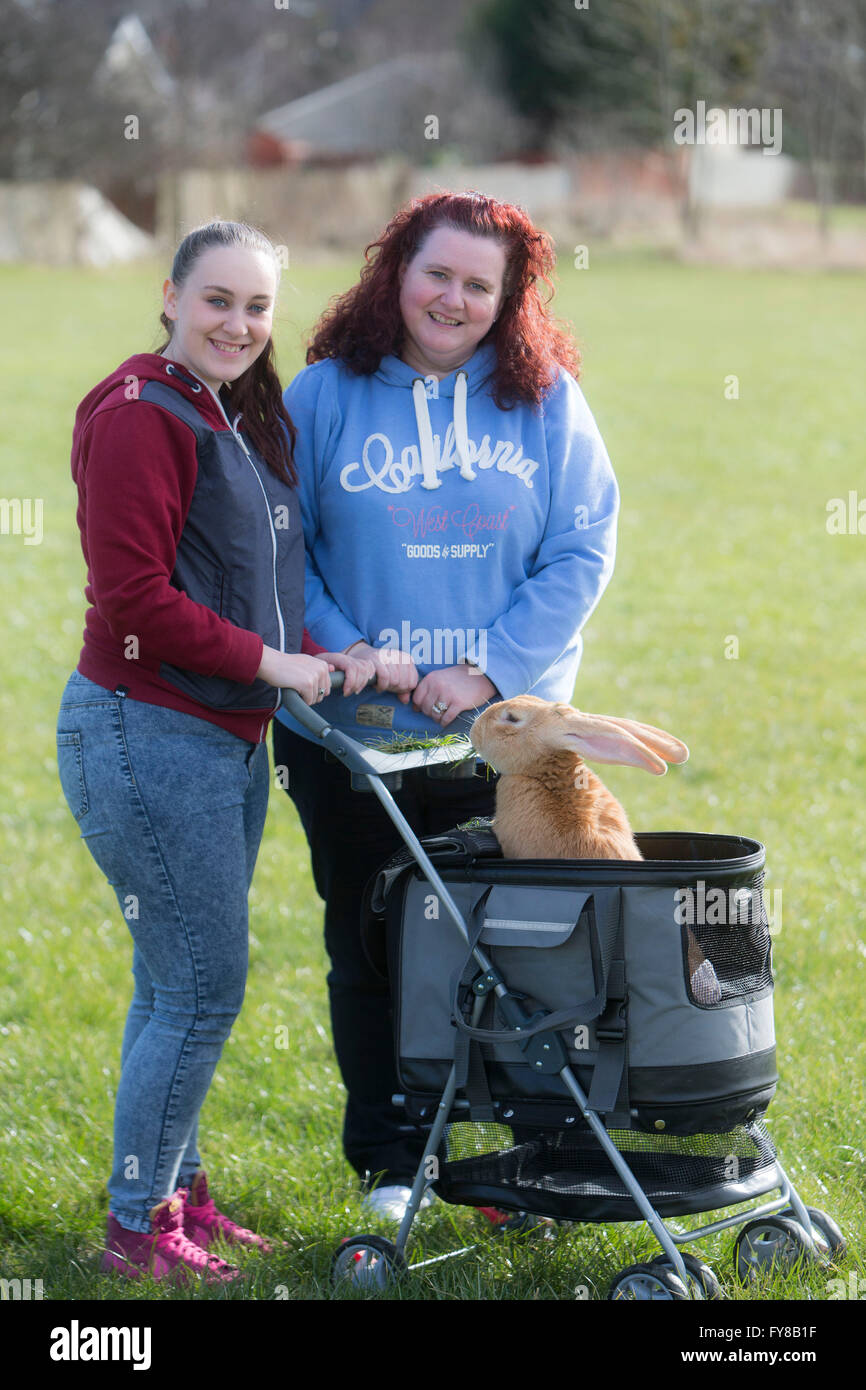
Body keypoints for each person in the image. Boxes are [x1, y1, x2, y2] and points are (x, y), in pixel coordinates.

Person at [272, 191, 620, 1219]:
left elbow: (581, 546)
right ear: (395, 271)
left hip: (501, 737)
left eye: (480, 284)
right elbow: (279, 548)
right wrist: (350, 651)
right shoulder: (322, 396)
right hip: (348, 732)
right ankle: (391, 1160)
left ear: (508, 299)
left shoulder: (545, 398)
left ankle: (520, 1158)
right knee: (373, 936)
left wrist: (487, 667)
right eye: (437, 273)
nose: (453, 299)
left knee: (511, 939)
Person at [56, 220, 373, 1282]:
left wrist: (327, 650)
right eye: (217, 301)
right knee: (199, 986)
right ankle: (138, 1227)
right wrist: (275, 668)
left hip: (217, 736)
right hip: (148, 729)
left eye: (256, 306)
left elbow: (253, 581)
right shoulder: (142, 414)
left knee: (174, 980)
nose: (238, 324)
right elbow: (135, 602)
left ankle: (176, 1192)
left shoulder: (222, 411)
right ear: (169, 297)